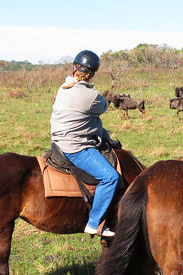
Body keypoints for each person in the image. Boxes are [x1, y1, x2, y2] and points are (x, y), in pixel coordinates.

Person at [50, 50, 118, 237]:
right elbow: (103, 107)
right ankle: (94, 223)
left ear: (74, 66)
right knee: (110, 177)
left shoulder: (63, 87)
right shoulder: (92, 96)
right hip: (76, 147)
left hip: (58, 142)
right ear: (93, 73)